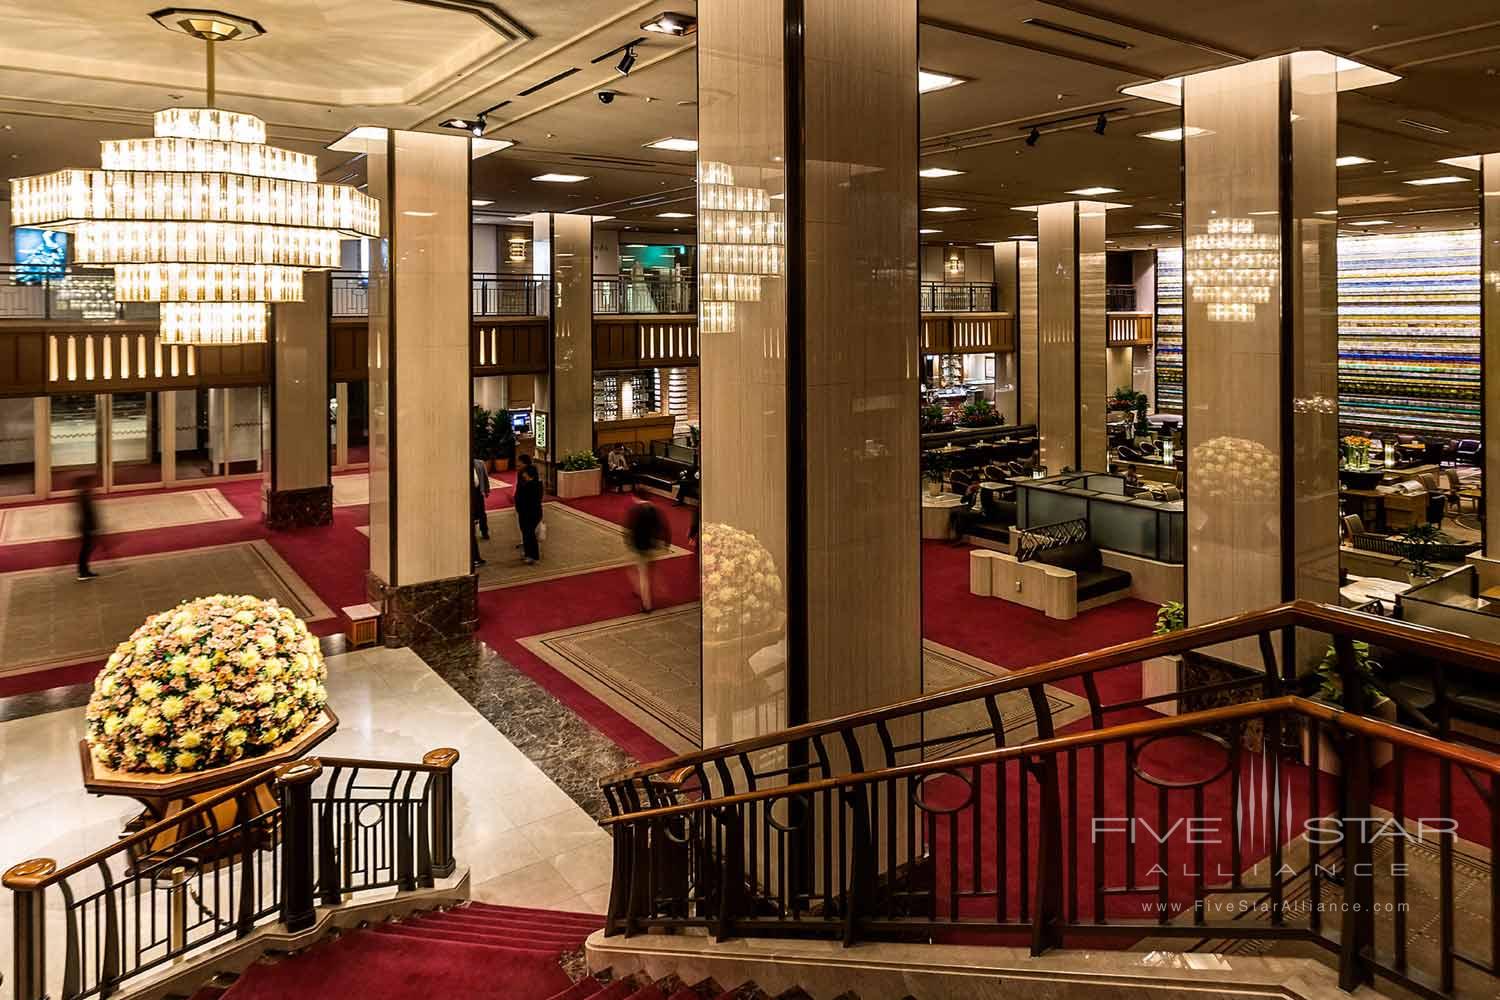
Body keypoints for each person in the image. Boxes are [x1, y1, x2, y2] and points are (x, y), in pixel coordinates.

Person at [624, 498, 666, 611]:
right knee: (645, 572)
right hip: (652, 546)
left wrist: (630, 543)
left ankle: (646, 604)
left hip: (640, 548)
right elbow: (662, 526)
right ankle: (641, 591)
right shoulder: (654, 509)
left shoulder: (635, 510)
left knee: (642, 575)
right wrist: (665, 543)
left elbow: (630, 528)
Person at [514, 464, 544, 564]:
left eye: (525, 473)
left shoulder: (530, 486)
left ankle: (533, 556)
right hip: (530, 513)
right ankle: (528, 553)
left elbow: (527, 500)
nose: (523, 475)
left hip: (529, 514)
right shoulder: (535, 484)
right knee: (527, 534)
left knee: (529, 535)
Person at [76, 473, 98, 580]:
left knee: (87, 548)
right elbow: (88, 514)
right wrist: (92, 528)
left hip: (86, 527)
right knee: (86, 549)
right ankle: (83, 572)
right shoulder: (84, 497)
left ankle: (84, 570)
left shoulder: (84, 495)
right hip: (87, 527)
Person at [471, 455, 491, 540]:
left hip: (478, 491)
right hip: (468, 492)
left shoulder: (480, 463)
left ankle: (484, 531)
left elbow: (485, 477)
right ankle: (472, 534)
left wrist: (486, 490)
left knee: (482, 513)